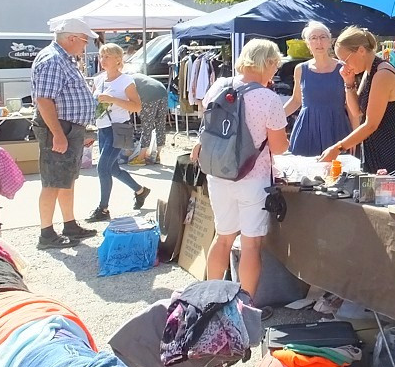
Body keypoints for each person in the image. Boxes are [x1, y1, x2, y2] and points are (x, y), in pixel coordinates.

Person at [191, 38, 289, 300]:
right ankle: (244, 307)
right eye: (275, 65)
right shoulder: (268, 98)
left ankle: (210, 300)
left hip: (218, 173)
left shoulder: (217, 87)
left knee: (222, 237)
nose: (275, 71)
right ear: (267, 63)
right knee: (250, 244)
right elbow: (279, 148)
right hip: (252, 179)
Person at [30, 18, 100, 249]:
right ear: (71, 38)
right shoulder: (53, 59)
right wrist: (58, 134)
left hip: (67, 127)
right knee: (53, 182)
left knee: (66, 180)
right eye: (84, 41)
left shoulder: (62, 58)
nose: (85, 46)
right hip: (59, 127)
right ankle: (46, 234)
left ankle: (69, 225)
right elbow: (43, 99)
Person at [320, 27, 395, 173]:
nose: (345, 66)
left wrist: (338, 148)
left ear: (361, 50)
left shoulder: (382, 74)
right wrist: (349, 82)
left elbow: (371, 124)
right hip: (376, 153)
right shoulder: (369, 72)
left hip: (394, 154)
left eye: (345, 60)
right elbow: (356, 111)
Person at [87, 43, 149, 222]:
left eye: (107, 56)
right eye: (101, 56)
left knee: (103, 167)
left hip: (120, 128)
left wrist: (113, 99)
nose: (102, 60)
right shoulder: (98, 79)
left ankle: (103, 208)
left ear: (117, 60)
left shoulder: (126, 81)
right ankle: (140, 190)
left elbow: (137, 106)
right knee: (112, 167)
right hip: (103, 127)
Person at [284, 21, 351, 157]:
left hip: (336, 127)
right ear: (308, 44)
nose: (319, 42)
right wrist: (272, 118)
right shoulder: (300, 69)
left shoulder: (343, 68)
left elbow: (351, 105)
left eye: (323, 37)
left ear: (330, 41)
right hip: (307, 129)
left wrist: (356, 135)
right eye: (313, 38)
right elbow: (296, 100)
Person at [130, 71, 170, 166]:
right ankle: (157, 156)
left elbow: (130, 100)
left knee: (147, 126)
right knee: (160, 124)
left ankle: (141, 157)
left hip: (148, 96)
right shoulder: (136, 76)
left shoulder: (126, 80)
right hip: (162, 91)